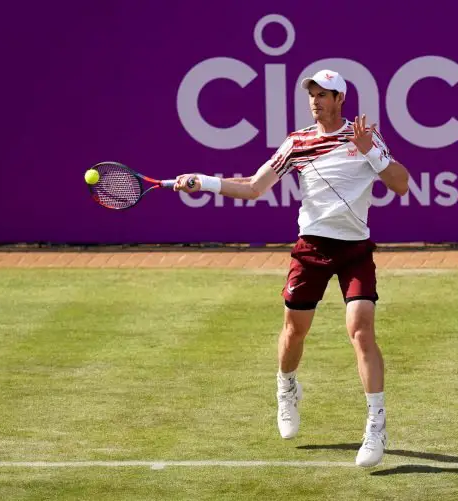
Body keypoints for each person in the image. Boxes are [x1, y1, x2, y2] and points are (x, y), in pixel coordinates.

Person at [173, 69, 410, 467]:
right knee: (294, 330)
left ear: (340, 100)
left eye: (324, 94)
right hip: (312, 247)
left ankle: (376, 425)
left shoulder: (363, 137)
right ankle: (287, 389)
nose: (316, 100)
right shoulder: (297, 143)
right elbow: (253, 187)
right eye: (312, 94)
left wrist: (371, 151)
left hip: (354, 249)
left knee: (361, 328)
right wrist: (206, 183)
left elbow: (401, 183)